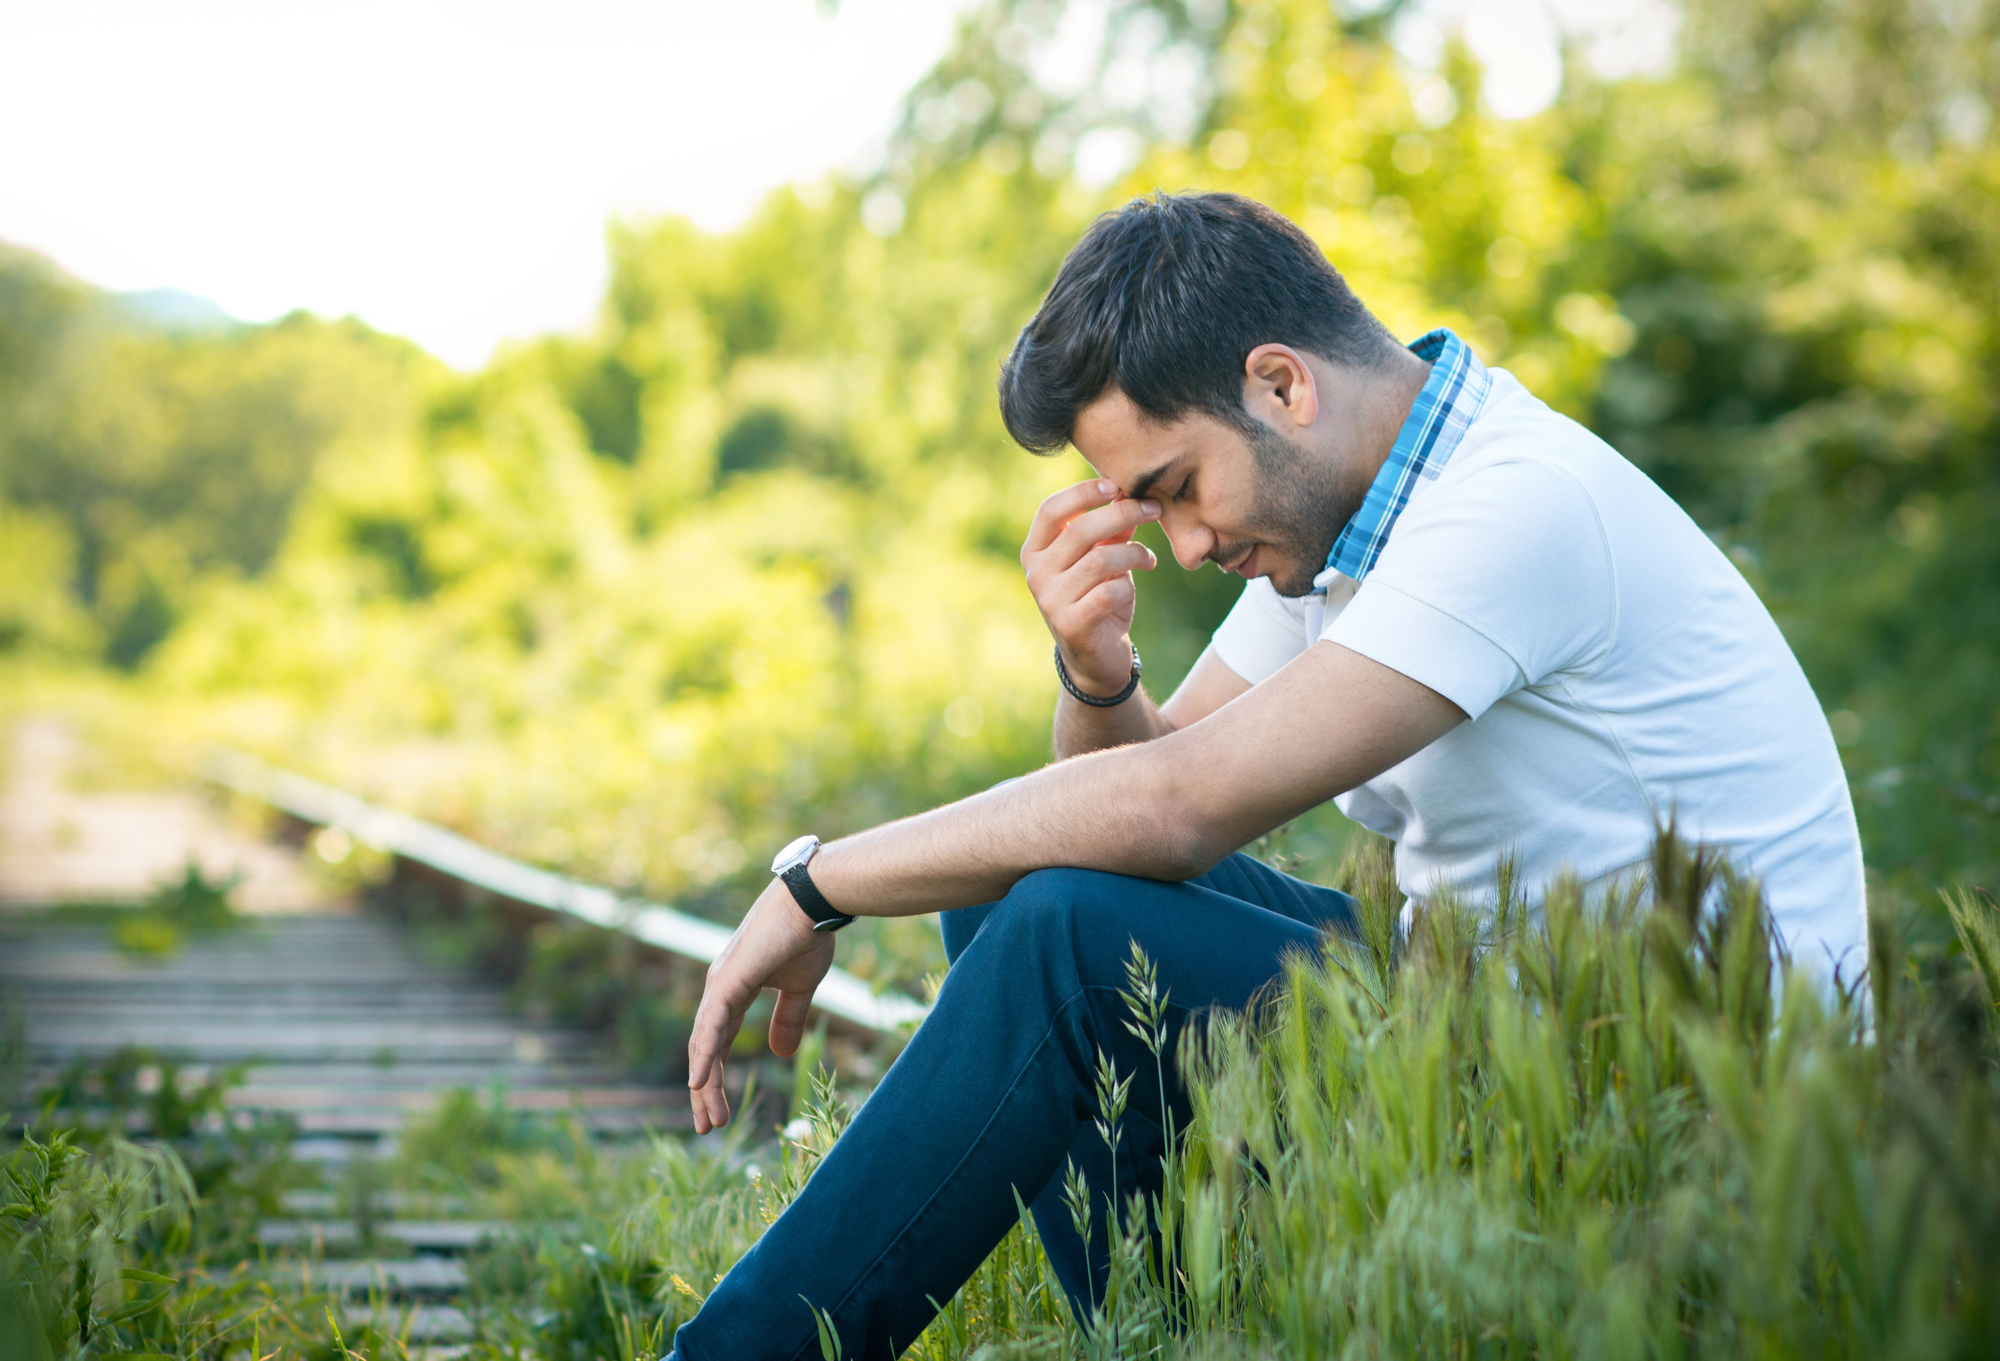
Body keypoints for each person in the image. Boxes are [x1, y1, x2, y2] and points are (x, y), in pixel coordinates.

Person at [665, 191, 1865, 1360]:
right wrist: (1095, 671)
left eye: (1178, 487)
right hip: (1483, 1003)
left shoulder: (1514, 505)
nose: (1183, 546)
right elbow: (1124, 798)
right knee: (1014, 890)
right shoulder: (1346, 520)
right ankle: (1163, 1338)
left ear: (1280, 383)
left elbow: (1174, 810)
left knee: (1066, 937)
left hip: (1663, 1091)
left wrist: (818, 883)